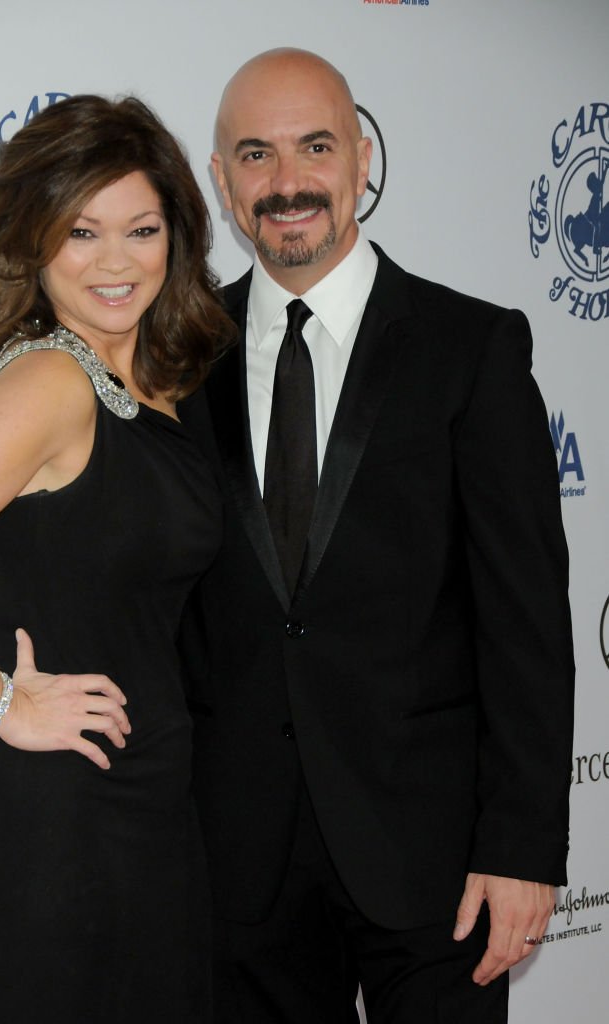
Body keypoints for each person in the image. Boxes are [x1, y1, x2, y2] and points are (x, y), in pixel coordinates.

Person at [174, 48, 575, 1023]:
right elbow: (147, 572)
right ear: (223, 184)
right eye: (256, 156)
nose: (287, 183)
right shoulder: (177, 360)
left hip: (431, 855)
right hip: (239, 864)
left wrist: (521, 847)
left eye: (314, 147)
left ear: (360, 159)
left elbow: (524, 625)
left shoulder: (468, 350)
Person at [0, 93, 233, 1023]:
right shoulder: (53, 380)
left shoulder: (163, 381)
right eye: (81, 232)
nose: (115, 262)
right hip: (51, 814)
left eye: (141, 229)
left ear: (176, 236)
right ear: (35, 244)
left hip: (144, 797)